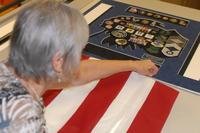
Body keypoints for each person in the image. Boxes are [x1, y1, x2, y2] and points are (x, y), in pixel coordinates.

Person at [0, 0, 158, 132]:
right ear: (58, 61)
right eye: (77, 52)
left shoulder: (18, 70)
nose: (78, 60)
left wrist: (132, 64)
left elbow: (78, 73)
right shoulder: (24, 120)